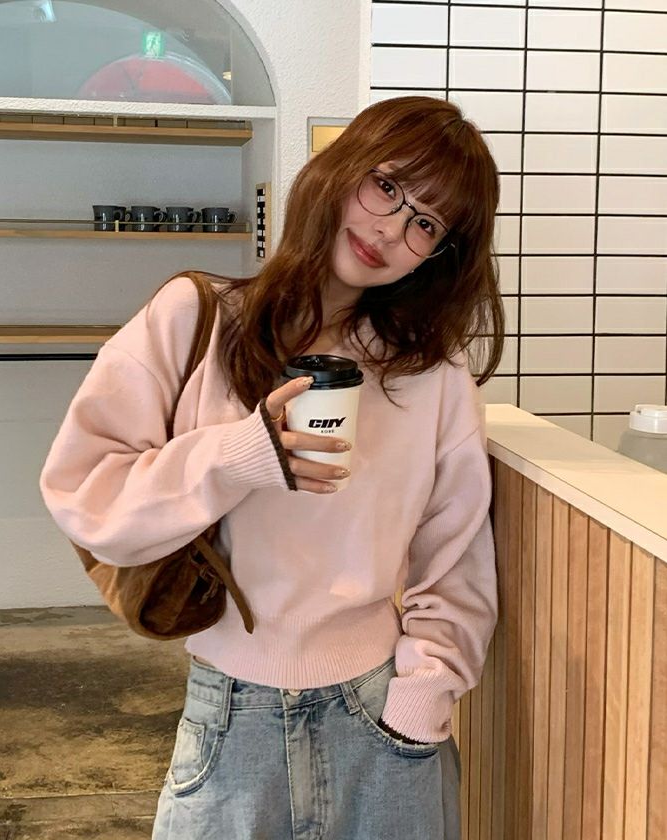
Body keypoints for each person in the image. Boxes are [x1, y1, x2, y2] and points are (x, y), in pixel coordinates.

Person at [39, 95, 503, 840]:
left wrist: (423, 697)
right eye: (387, 186)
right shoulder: (196, 319)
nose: (391, 228)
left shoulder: (431, 377)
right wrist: (239, 456)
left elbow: (455, 560)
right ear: (341, 170)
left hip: (384, 720)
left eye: (426, 224)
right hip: (229, 716)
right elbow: (88, 498)